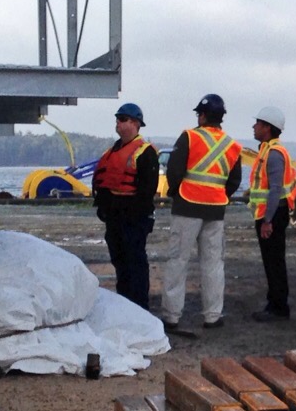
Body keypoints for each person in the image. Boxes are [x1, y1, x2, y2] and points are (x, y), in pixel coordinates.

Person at [160, 93, 243, 329]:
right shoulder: (232, 145)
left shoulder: (189, 137)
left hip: (187, 206)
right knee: (213, 263)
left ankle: (172, 316)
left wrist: (177, 192)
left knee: (178, 260)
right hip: (216, 209)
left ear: (203, 115)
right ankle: (213, 315)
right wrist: (220, 195)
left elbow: (174, 171)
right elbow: (234, 180)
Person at [92, 102, 160, 309]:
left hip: (133, 218)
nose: (118, 124)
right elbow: (104, 183)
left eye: (122, 120)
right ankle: (124, 304)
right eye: (117, 120)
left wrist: (134, 215)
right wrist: (103, 208)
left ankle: (140, 307)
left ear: (135, 123)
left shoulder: (145, 152)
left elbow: (147, 191)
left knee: (135, 264)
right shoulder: (112, 152)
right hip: (114, 217)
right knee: (120, 263)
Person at [248, 106, 296, 322]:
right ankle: (275, 303)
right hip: (271, 214)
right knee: (272, 261)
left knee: (274, 262)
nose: (254, 126)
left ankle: (278, 307)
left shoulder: (274, 153)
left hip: (272, 216)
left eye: (258, 123)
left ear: (267, 127)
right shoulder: (268, 150)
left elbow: (275, 189)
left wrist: (267, 221)